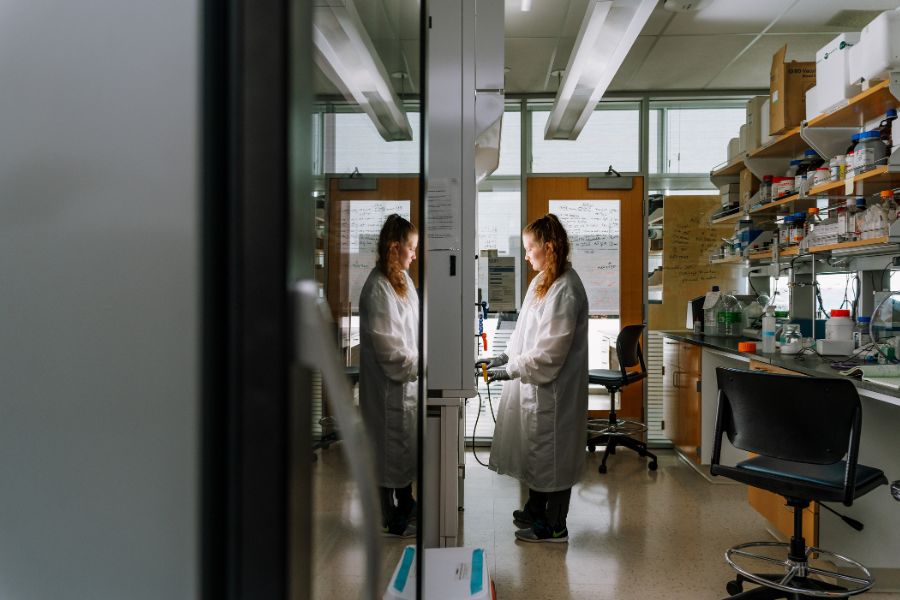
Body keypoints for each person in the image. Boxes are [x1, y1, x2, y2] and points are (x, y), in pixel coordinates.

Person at [482, 213, 589, 543]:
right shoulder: (543, 281)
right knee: (538, 453)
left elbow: (549, 353)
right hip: (537, 389)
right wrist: (500, 357)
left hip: (554, 391)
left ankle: (554, 526)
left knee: (553, 457)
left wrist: (509, 370)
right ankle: (536, 508)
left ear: (549, 247)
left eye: (531, 248)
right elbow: (524, 337)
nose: (526, 255)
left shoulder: (567, 290)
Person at [359, 214, 419, 538]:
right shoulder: (378, 288)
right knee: (386, 452)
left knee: (402, 449)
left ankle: (406, 502)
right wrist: (423, 363)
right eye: (410, 248)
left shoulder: (402, 281)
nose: (414, 255)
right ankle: (388, 516)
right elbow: (390, 351)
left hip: (404, 388)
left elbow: (412, 330)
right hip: (387, 388)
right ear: (394, 248)